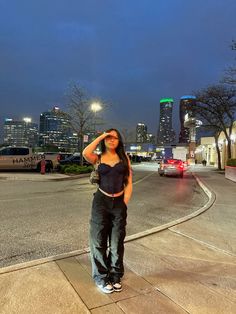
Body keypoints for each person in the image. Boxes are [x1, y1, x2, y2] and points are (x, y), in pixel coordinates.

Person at [83, 129, 132, 294]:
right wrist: (101, 136)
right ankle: (101, 277)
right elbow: (85, 152)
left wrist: (123, 203)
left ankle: (116, 275)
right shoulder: (97, 158)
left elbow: (129, 182)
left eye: (115, 138)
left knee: (117, 241)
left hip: (119, 202)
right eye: (109, 137)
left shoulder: (124, 158)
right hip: (100, 202)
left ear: (119, 141)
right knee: (98, 241)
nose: (111, 140)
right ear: (104, 139)